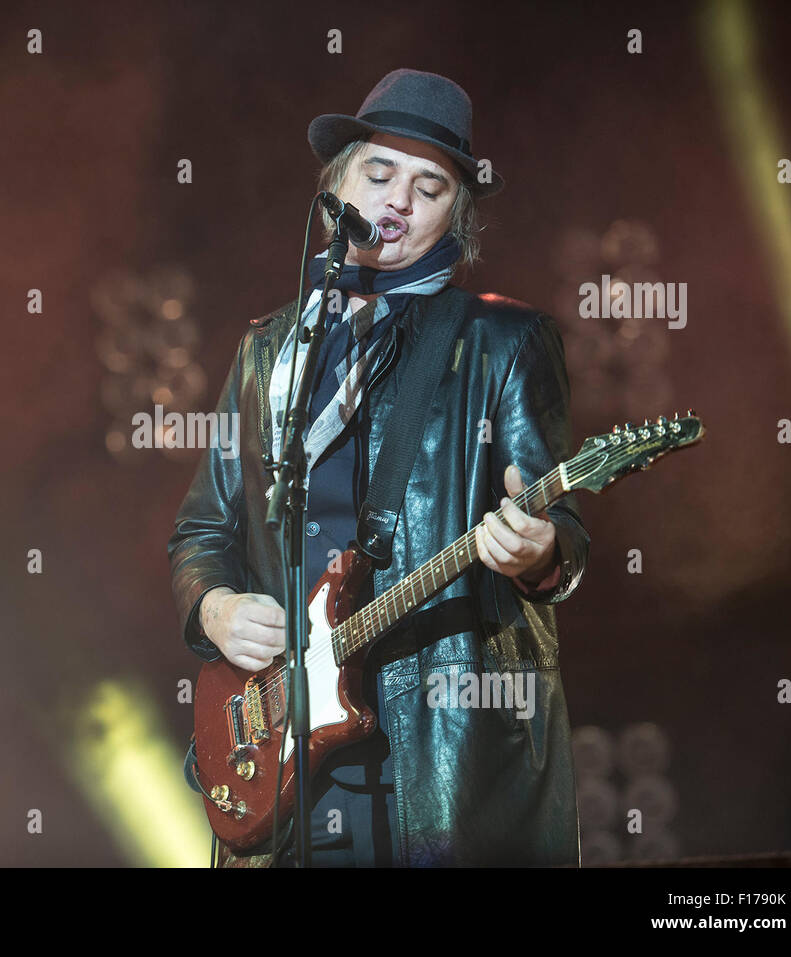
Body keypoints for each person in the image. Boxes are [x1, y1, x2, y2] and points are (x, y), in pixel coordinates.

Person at [168, 69, 590, 867]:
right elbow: (202, 527)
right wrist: (216, 607)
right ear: (338, 183)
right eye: (379, 171)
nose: (397, 199)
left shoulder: (502, 343)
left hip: (430, 758)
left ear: (455, 216)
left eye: (429, 186)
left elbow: (562, 532)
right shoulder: (268, 348)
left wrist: (539, 552)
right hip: (287, 750)